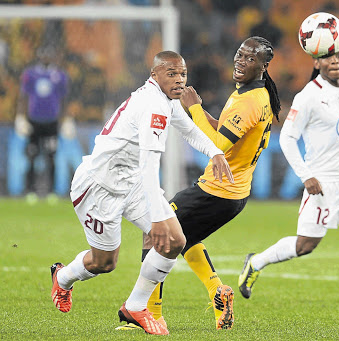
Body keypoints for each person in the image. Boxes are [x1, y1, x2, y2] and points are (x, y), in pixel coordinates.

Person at [50, 51, 234, 335]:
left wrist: (216, 152)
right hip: (99, 188)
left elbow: (188, 129)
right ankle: (62, 278)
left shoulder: (167, 101)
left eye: (182, 74)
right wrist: (158, 217)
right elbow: (150, 166)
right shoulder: (153, 106)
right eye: (171, 74)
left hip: (131, 183)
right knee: (104, 263)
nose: (179, 80)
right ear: (154, 75)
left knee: (175, 240)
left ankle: (135, 306)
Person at [117, 36, 281, 331]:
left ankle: (147, 314)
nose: (241, 61)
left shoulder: (248, 100)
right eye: (240, 54)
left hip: (217, 191)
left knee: (157, 233)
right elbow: (227, 130)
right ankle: (216, 290)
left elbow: (218, 143)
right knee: (184, 237)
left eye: (250, 59)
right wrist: (202, 111)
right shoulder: (255, 95)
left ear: (264, 67)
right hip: (234, 193)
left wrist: (192, 109)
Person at [238, 48, 339, 309]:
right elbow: (287, 138)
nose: (335, 61)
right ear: (317, 62)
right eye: (328, 57)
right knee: (306, 245)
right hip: (324, 182)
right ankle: (256, 262)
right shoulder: (309, 97)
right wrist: (306, 176)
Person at [15, 46, 69, 204]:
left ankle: (51, 191)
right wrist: (20, 116)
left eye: (48, 55)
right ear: (39, 56)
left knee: (51, 156)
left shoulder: (60, 75)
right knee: (31, 155)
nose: (46, 58)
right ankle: (30, 190)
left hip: (51, 122)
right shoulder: (30, 74)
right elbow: (23, 96)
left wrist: (65, 119)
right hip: (34, 121)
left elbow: (64, 99)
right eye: (43, 54)